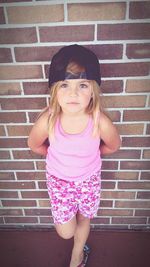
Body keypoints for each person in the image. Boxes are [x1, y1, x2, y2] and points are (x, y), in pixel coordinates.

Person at [28, 44, 121, 267]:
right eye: (64, 85)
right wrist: (54, 155)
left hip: (88, 180)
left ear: (93, 90)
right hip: (59, 182)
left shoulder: (99, 121)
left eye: (82, 85)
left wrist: (92, 155)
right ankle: (73, 242)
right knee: (65, 231)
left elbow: (114, 145)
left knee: (84, 217)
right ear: (54, 90)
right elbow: (34, 145)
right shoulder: (48, 120)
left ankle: (77, 255)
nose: (73, 93)